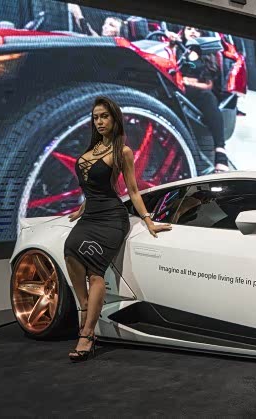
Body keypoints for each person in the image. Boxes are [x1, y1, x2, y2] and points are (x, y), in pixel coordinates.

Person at [64, 97, 172, 361]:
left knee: (95, 271)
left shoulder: (122, 151)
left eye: (104, 116)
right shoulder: (90, 150)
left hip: (112, 218)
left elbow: (133, 190)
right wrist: (82, 207)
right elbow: (92, 187)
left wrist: (147, 220)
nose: (100, 122)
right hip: (91, 216)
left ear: (114, 119)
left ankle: (87, 334)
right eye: (96, 117)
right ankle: (86, 306)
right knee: (70, 250)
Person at [168, 26, 229, 173]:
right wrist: (172, 45)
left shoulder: (206, 54)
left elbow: (208, 84)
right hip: (171, 86)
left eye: (197, 30)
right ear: (183, 32)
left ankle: (220, 152)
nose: (193, 32)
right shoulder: (175, 48)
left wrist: (189, 82)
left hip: (195, 92)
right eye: (189, 28)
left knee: (208, 97)